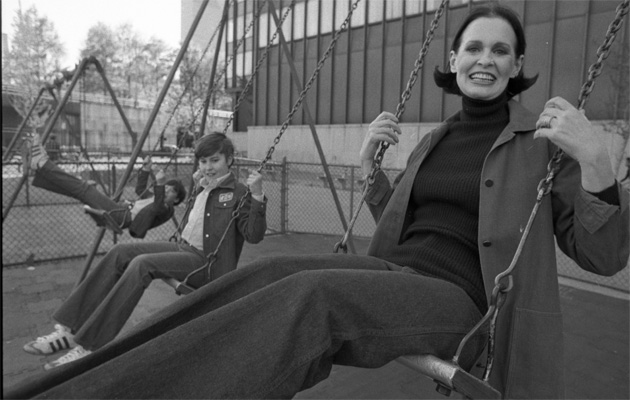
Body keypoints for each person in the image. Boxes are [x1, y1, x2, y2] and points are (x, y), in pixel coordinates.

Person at [5, 4, 628, 399]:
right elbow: (408, 222)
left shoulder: (544, 143)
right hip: (395, 271)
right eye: (473, 48)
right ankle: (83, 380)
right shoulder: (436, 139)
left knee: (312, 296)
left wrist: (598, 164)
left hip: (465, 301)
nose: (484, 60)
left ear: (517, 66)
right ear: (453, 60)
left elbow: (602, 256)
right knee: (264, 275)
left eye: (499, 51)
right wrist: (368, 169)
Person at [19, 132, 267, 371]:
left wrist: (257, 195)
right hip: (184, 247)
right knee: (121, 251)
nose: (208, 167)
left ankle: (89, 344)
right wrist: (197, 187)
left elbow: (253, 235)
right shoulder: (202, 185)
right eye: (203, 161)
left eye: (215, 160)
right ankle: (68, 329)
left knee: (142, 264)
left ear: (229, 160)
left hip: (207, 264)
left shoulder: (239, 192)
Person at [23, 133, 186, 238]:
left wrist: (160, 184)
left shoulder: (167, 209)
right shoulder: (155, 199)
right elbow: (139, 190)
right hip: (120, 209)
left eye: (172, 190)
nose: (167, 189)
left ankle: (43, 165)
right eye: (167, 186)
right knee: (80, 190)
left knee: (85, 188)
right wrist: (145, 170)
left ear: (176, 199)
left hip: (122, 216)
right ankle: (39, 171)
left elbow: (158, 206)